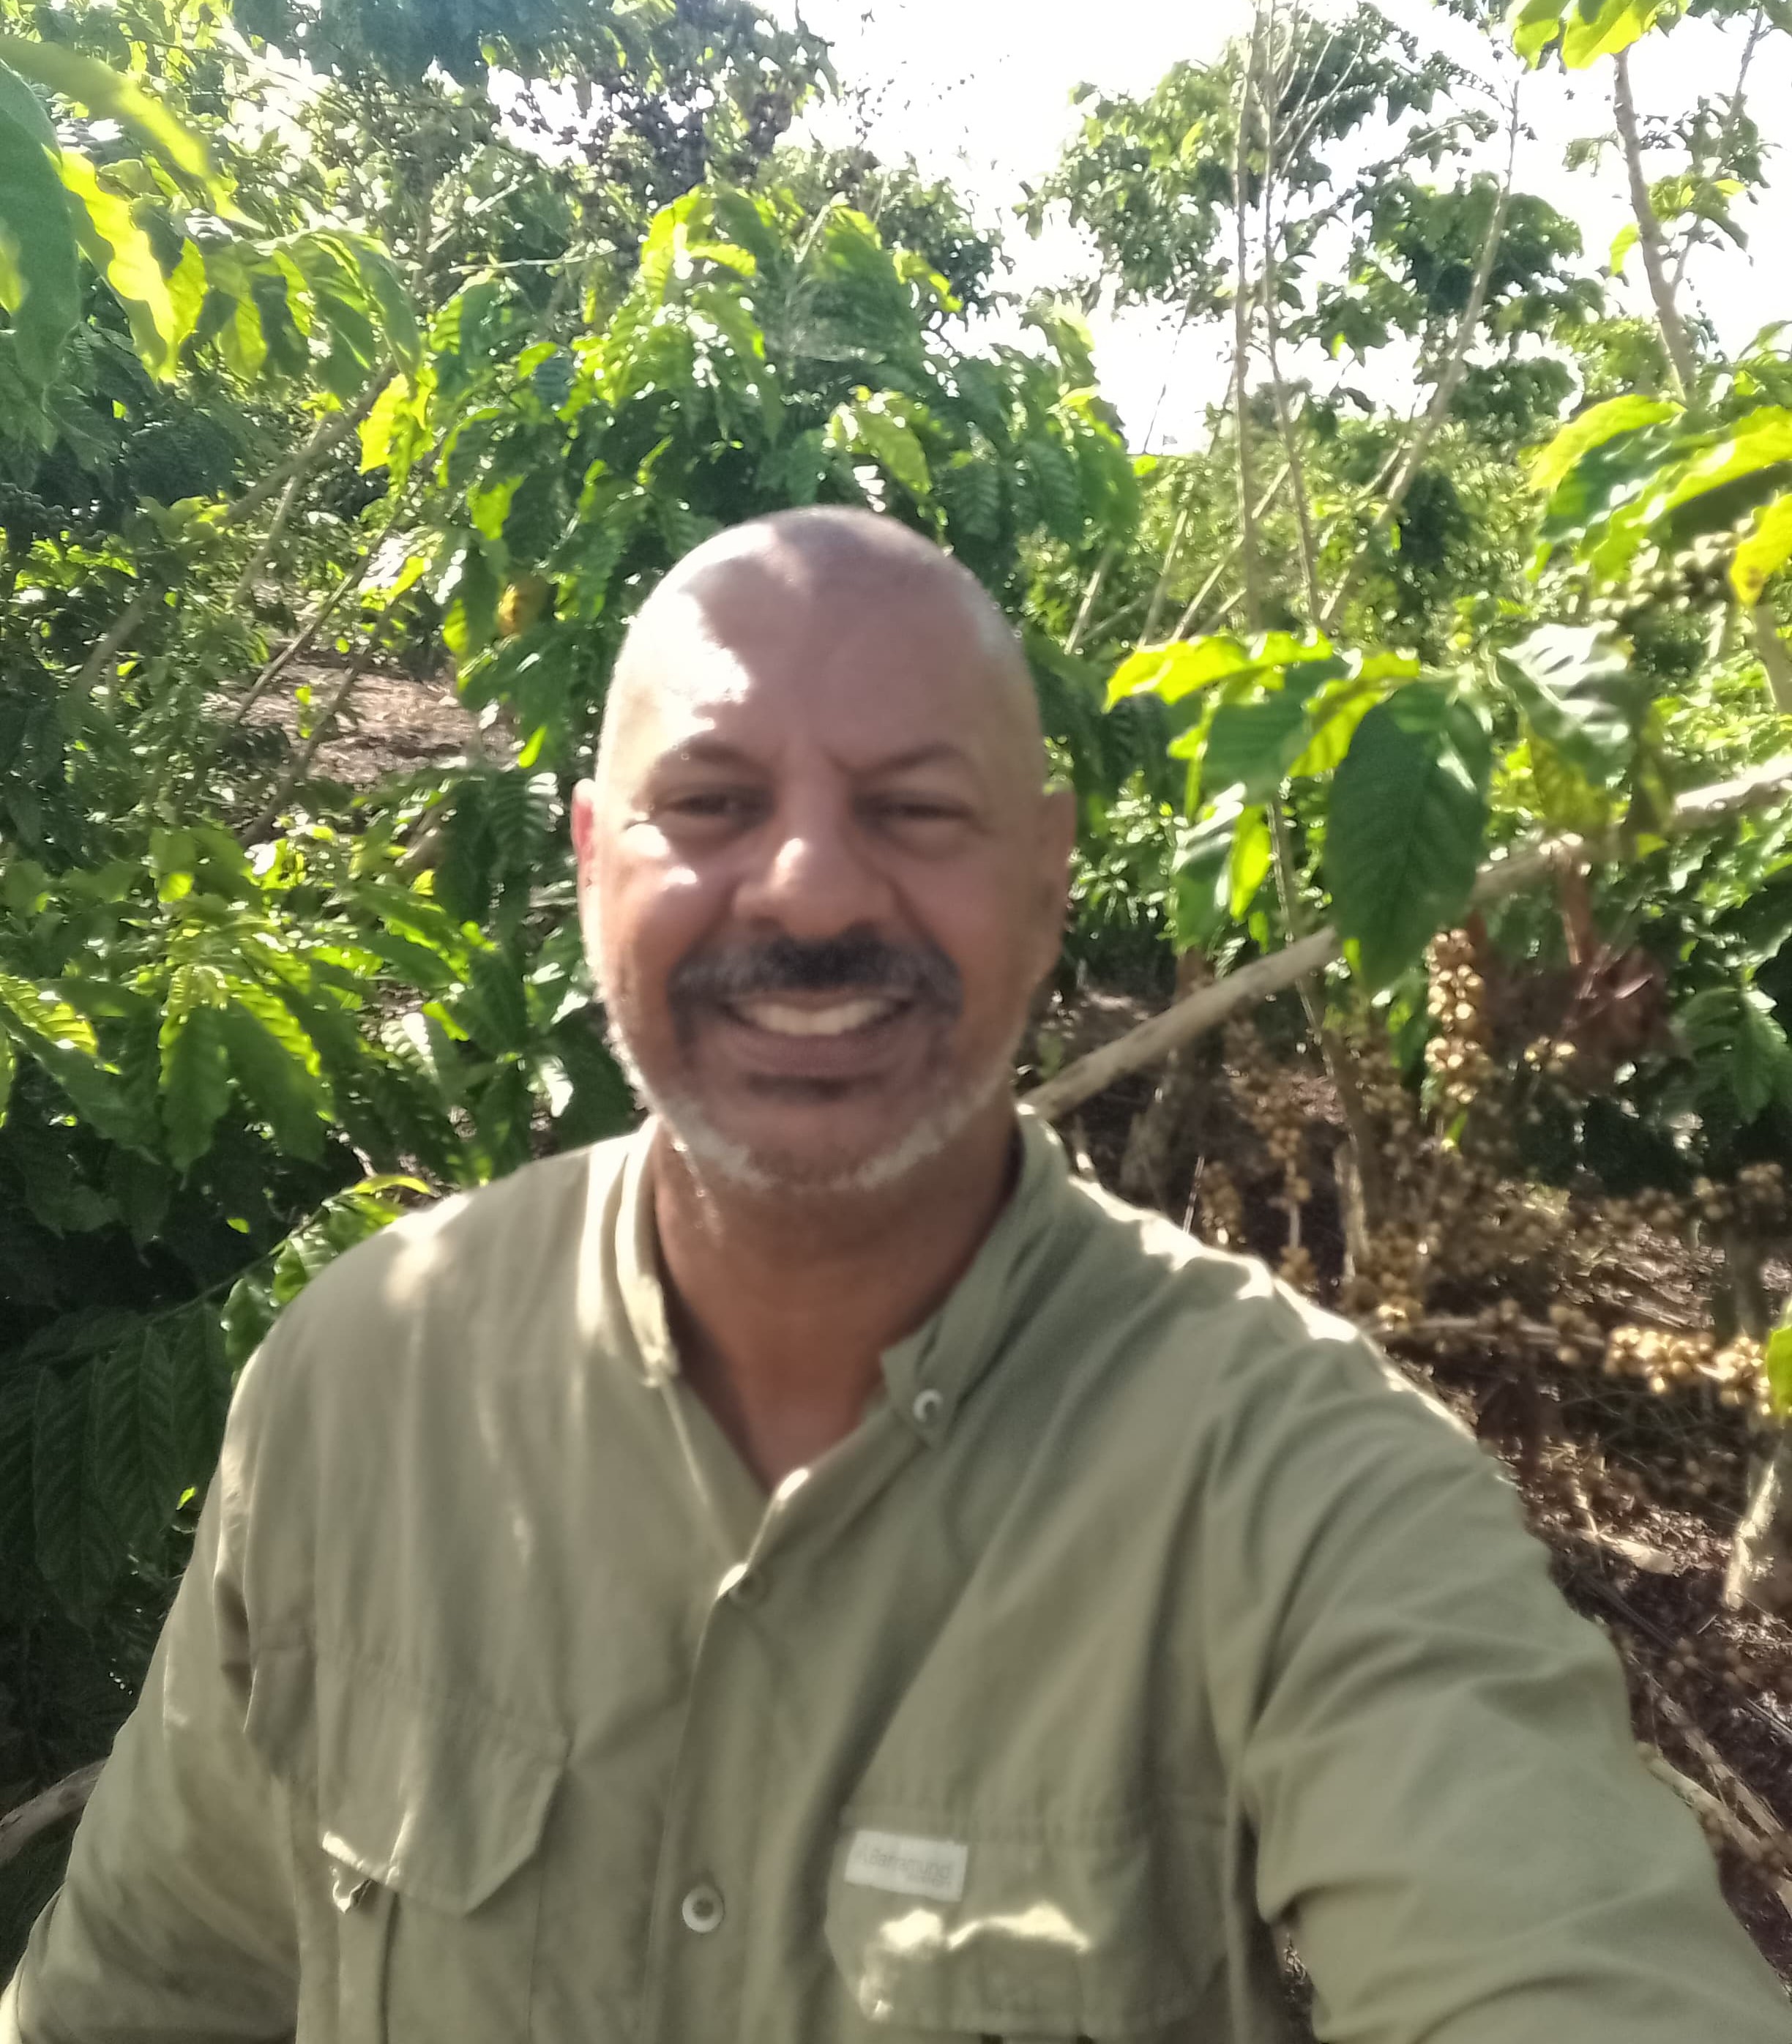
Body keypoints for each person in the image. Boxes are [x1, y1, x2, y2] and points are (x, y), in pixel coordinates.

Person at [4, 507, 1786, 2044]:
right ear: (590, 859)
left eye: (916, 809)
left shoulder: (1300, 1490)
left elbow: (1565, 1962)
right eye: (709, 797)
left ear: (1047, 875)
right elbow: (144, 1986)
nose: (803, 885)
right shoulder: (362, 1380)